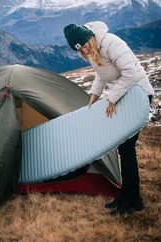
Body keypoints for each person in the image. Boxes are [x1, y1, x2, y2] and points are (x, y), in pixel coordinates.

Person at [63, 21, 154, 216]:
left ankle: (133, 202)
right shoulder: (91, 50)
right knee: (123, 147)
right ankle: (126, 196)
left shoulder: (113, 44)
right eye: (81, 50)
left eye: (86, 45)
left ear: (89, 37)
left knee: (127, 147)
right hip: (124, 95)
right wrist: (94, 94)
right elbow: (102, 74)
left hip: (138, 95)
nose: (86, 51)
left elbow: (130, 74)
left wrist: (111, 98)